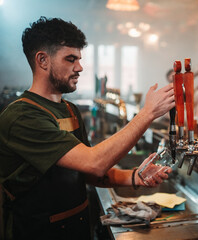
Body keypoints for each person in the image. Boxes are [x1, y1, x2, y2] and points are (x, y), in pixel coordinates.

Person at [0, 17, 175, 240]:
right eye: (70, 59)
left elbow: (89, 172)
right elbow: (94, 162)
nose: (80, 67)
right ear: (43, 60)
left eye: (79, 59)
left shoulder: (69, 110)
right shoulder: (22, 117)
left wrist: (135, 176)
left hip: (77, 227)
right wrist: (147, 113)